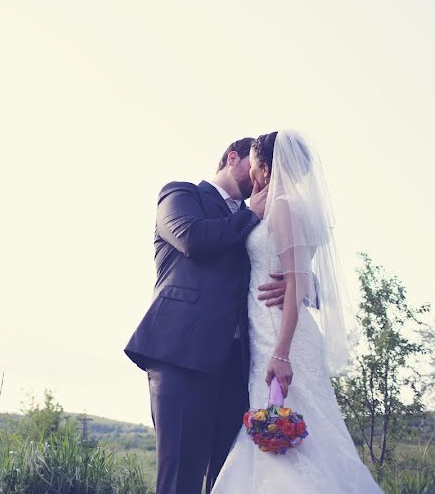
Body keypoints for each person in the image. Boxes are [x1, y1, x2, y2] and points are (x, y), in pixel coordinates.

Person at [210, 130, 382, 493]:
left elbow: (296, 279)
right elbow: (296, 279)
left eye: (255, 167)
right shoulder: (275, 207)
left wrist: (282, 352)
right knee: (288, 435)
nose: (252, 176)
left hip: (280, 337)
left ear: (268, 169)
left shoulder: (284, 207)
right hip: (265, 334)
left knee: (292, 434)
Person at [123, 137, 288, 494]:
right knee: (180, 477)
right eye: (255, 162)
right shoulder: (181, 194)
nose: (263, 174)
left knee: (229, 480)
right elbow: (193, 240)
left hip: (238, 365)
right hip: (181, 353)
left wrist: (296, 285)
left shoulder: (255, 219)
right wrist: (250, 214)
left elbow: (277, 262)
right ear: (233, 158)